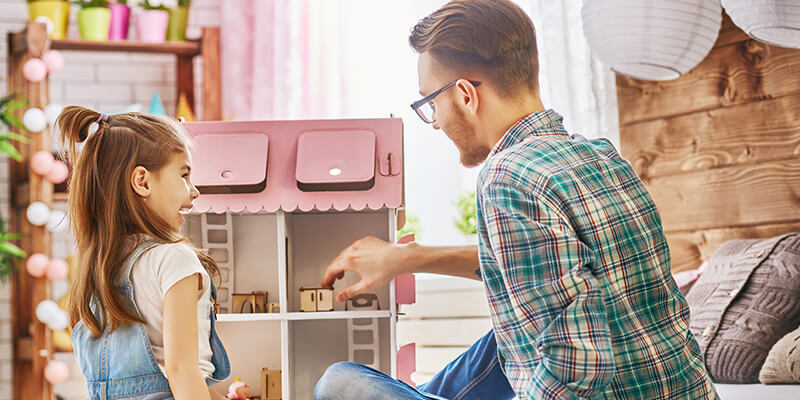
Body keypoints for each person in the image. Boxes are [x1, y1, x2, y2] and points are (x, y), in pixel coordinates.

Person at [315, 0, 720, 399]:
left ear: (464, 96)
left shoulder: (507, 176)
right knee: (508, 332)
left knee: (340, 383)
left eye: (431, 104)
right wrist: (407, 257)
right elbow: (537, 269)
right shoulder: (603, 157)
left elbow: (578, 363)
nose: (435, 123)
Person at [61, 106, 231, 399]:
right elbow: (181, 372)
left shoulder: (98, 267)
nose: (194, 191)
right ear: (143, 181)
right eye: (184, 175)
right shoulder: (174, 258)